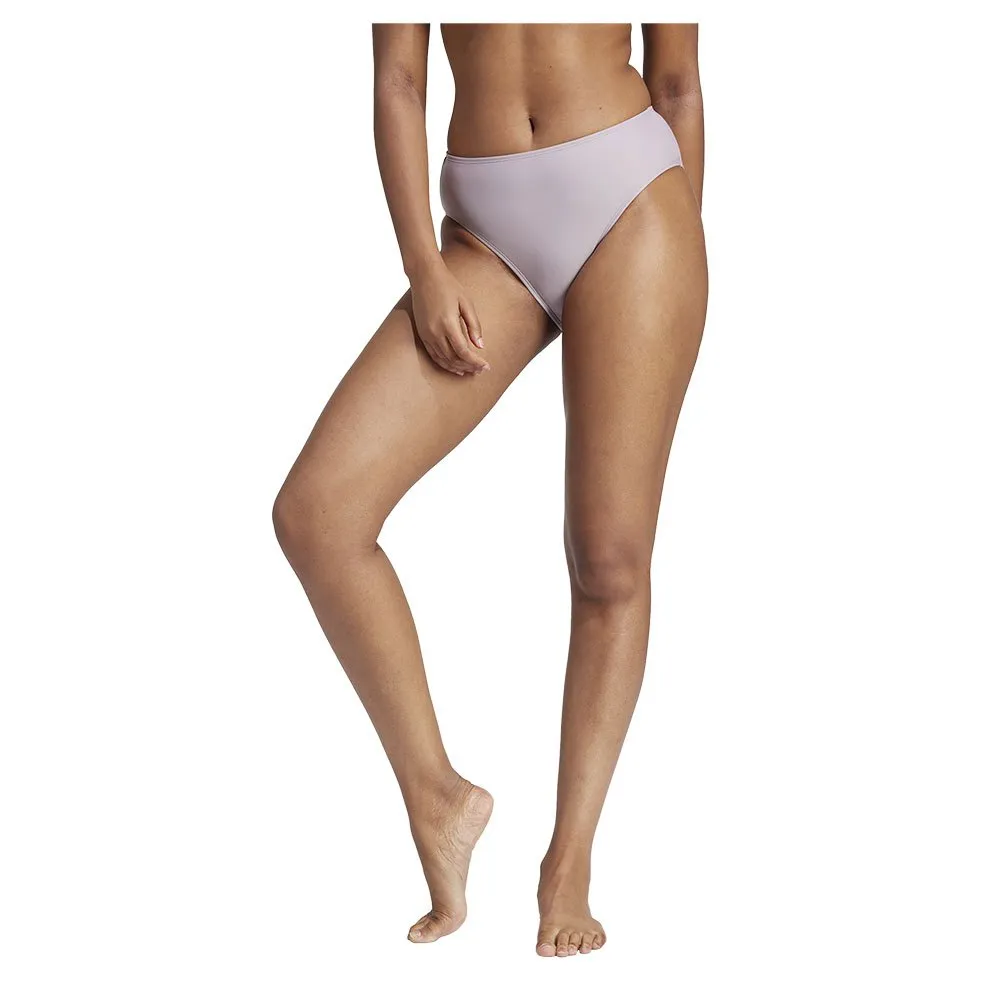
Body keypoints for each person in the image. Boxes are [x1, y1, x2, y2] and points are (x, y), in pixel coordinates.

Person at [272, 23, 708, 957]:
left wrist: (678, 277)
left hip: (633, 203)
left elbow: (676, 81)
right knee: (318, 514)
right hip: (483, 233)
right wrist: (422, 269)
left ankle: (569, 862)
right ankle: (436, 796)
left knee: (609, 561)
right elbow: (399, 79)